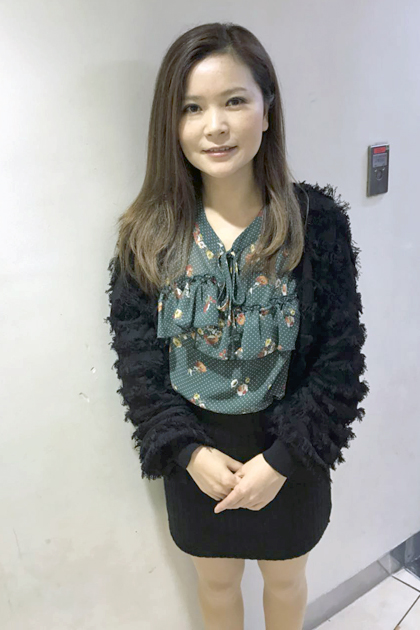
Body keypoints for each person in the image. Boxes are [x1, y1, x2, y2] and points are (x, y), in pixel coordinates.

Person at [105, 22, 369, 630]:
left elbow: (341, 359)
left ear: (267, 110)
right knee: (216, 583)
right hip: (195, 460)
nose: (215, 126)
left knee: (287, 580)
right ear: (171, 124)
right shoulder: (147, 236)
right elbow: (138, 364)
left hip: (292, 455)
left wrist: (282, 460)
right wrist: (189, 453)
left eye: (234, 101)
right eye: (192, 108)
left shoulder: (316, 223)